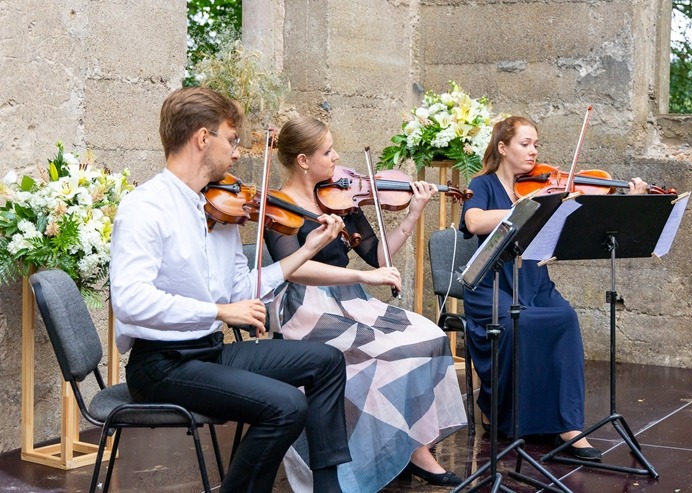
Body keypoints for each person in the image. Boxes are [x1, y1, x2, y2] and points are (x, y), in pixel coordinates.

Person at [109, 87, 352, 493]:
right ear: (203, 139)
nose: (238, 153)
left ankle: (329, 489)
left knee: (326, 361)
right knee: (286, 406)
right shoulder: (145, 208)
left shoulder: (221, 209)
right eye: (233, 140)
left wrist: (308, 249)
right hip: (162, 366)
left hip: (208, 351)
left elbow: (241, 285)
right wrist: (220, 313)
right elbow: (131, 302)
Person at [262, 115, 467, 492]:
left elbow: (377, 256)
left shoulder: (339, 195)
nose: (336, 156)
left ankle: (413, 446)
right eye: (327, 151)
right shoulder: (279, 207)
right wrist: (359, 275)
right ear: (303, 160)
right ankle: (370, 463)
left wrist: (413, 214)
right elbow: (296, 272)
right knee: (381, 360)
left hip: (353, 302)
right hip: (307, 310)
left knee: (431, 337)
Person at [460, 115, 648, 460]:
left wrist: (631, 202)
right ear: (502, 148)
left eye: (536, 145)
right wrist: (526, 207)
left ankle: (567, 424)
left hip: (534, 282)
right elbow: (473, 222)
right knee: (523, 325)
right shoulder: (483, 184)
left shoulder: (539, 187)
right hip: (493, 285)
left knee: (564, 319)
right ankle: (498, 409)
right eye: (524, 144)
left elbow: (582, 220)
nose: (533, 151)